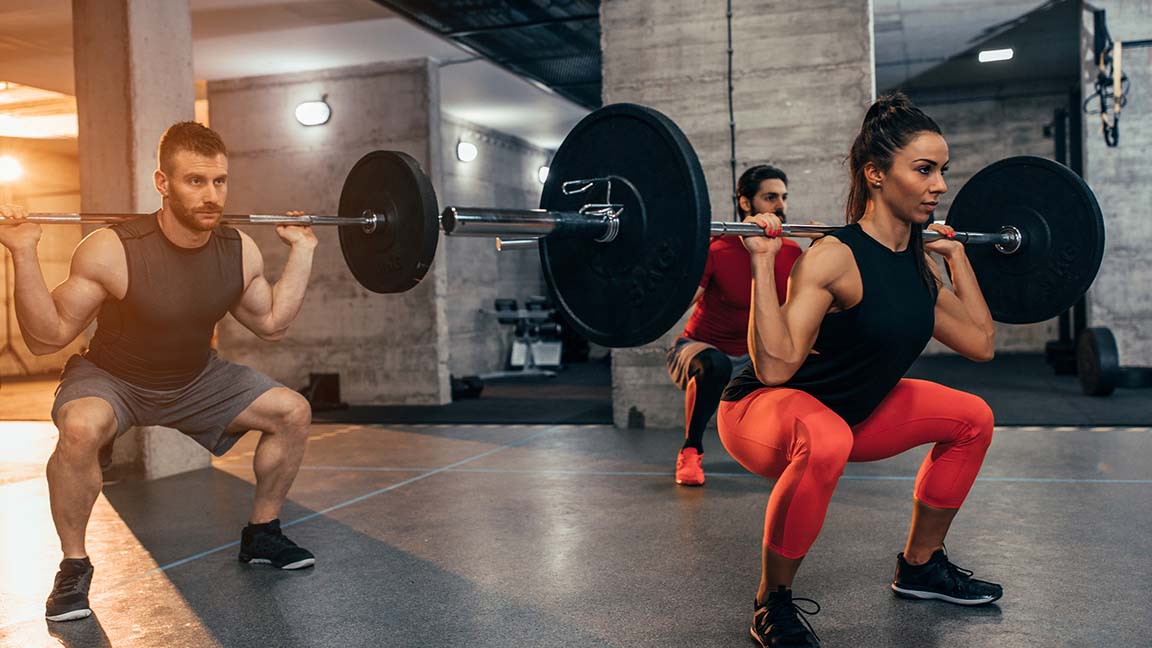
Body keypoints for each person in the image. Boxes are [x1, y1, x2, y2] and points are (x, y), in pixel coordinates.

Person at [0, 122, 319, 623]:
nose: (211, 195)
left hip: (195, 379)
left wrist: (303, 251)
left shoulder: (239, 251)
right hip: (113, 377)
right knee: (80, 428)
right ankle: (73, 566)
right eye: (195, 181)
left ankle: (262, 534)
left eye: (219, 181)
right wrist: (22, 251)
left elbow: (272, 325)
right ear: (162, 183)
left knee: (292, 411)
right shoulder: (113, 248)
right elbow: (47, 337)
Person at [717, 93, 1002, 647]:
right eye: (923, 170)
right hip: (762, 410)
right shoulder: (834, 255)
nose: (939, 186)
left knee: (973, 417)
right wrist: (760, 261)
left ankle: (920, 566)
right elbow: (775, 366)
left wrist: (959, 260)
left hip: (853, 413)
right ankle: (771, 602)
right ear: (875, 174)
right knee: (824, 438)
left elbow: (980, 342)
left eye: (942, 171)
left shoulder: (918, 264)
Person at [666, 165, 802, 486]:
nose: (780, 206)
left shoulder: (792, 252)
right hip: (700, 351)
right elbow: (673, 305)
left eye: (783, 197)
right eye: (770, 197)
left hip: (753, 359)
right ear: (745, 203)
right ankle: (690, 451)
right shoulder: (717, 249)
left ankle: (786, 451)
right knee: (714, 365)